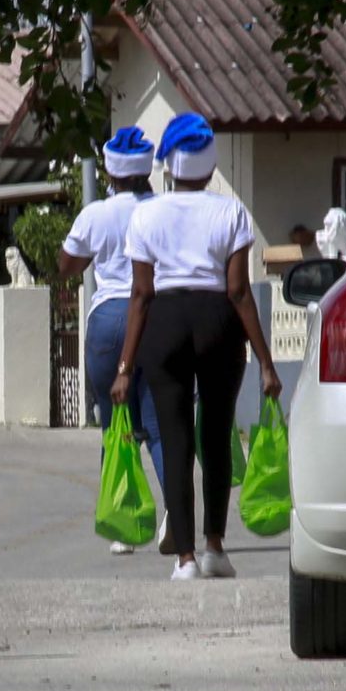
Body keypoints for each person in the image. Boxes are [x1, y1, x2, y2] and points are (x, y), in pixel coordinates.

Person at [111, 113, 284, 580]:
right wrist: (266, 363)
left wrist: (125, 366)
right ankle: (214, 548)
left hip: (164, 325)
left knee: (176, 438)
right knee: (216, 437)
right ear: (209, 170)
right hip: (217, 324)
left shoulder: (147, 214)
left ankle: (184, 559)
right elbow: (238, 291)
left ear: (169, 168)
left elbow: (141, 294)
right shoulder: (230, 213)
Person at [58, 126, 167, 554]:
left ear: (109, 170)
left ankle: (122, 524)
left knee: (114, 426)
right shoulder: (162, 209)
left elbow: (67, 264)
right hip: (155, 317)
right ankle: (174, 515)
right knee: (158, 427)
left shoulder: (96, 213)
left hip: (106, 321)